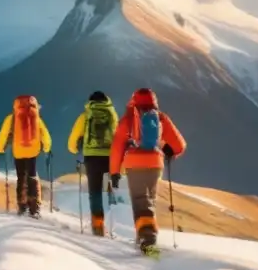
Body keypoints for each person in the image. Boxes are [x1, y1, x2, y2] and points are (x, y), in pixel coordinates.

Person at [109, 87, 186, 251]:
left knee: (139, 201)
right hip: (155, 164)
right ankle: (144, 237)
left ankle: (148, 238)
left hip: (133, 164)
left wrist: (115, 172)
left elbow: (117, 148)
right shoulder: (160, 118)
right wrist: (167, 151)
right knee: (149, 201)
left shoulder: (128, 119)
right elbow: (179, 145)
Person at [68, 91, 119, 236]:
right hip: (110, 156)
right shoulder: (112, 115)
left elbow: (72, 141)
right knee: (110, 190)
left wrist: (75, 149)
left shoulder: (85, 116)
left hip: (91, 157)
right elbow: (118, 136)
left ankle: (98, 225)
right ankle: (112, 225)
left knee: (95, 192)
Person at [0, 95, 52, 216]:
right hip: (33, 151)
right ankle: (34, 208)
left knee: (21, 177)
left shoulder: (11, 118)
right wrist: (46, 148)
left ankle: (22, 206)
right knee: (32, 176)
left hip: (18, 152)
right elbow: (45, 135)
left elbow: (3, 135)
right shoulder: (37, 118)